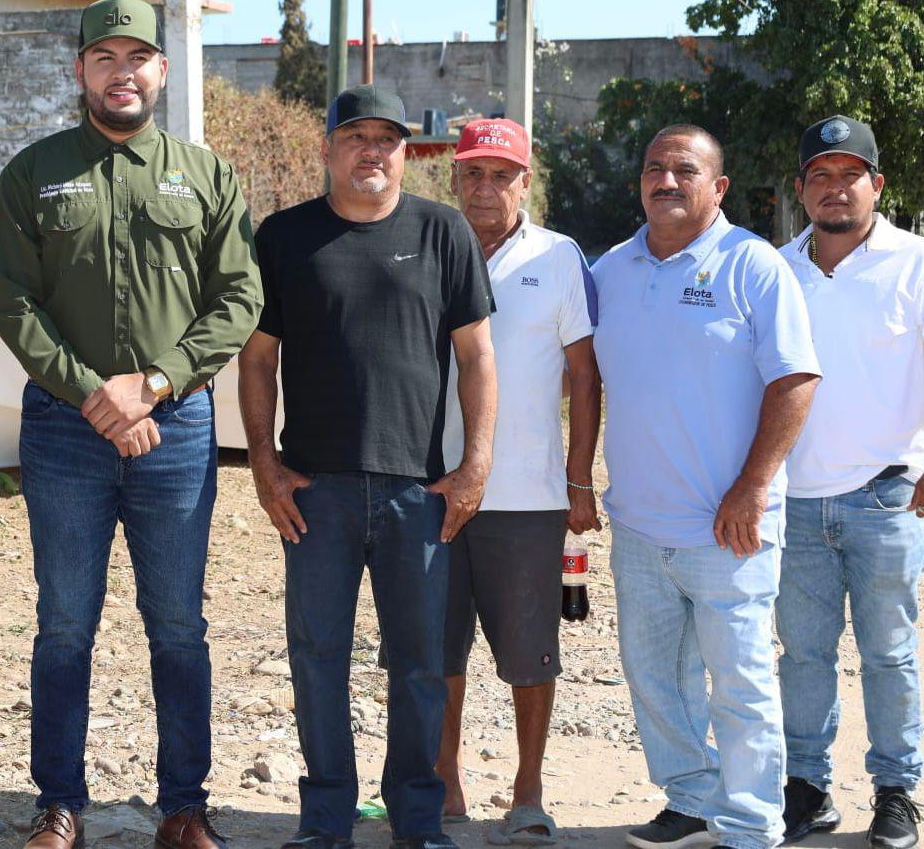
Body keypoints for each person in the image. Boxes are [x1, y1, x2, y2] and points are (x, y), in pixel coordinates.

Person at [0, 0, 262, 849]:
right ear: (82, 71)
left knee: (178, 622)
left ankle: (184, 805)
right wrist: (94, 395)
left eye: (138, 56)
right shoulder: (33, 174)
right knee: (65, 620)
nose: (122, 71)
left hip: (173, 430)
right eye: (105, 56)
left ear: (162, 71)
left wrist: (155, 383)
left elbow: (239, 296)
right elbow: (13, 304)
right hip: (66, 431)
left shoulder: (206, 175)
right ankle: (59, 805)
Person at [240, 84, 497, 849]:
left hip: (417, 491)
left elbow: (478, 356)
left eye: (388, 139)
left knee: (418, 665)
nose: (372, 151)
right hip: (313, 490)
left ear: (406, 153)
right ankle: (325, 822)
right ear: (328, 149)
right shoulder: (284, 237)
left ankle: (418, 821)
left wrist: (475, 462)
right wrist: (264, 463)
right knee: (318, 660)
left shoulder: (444, 231)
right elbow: (257, 361)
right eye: (356, 137)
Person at [590, 125, 820, 849]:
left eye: (684, 170)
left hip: (731, 528)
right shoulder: (610, 270)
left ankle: (752, 826)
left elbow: (796, 380)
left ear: (717, 187)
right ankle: (691, 800)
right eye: (653, 167)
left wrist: (752, 488)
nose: (665, 181)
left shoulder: (751, 264)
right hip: (637, 523)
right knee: (656, 679)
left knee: (742, 684)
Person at [775, 116, 924, 849]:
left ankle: (896, 791)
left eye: (849, 174)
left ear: (876, 184)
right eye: (820, 174)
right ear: (801, 189)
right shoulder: (777, 267)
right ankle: (809, 788)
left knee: (889, 653)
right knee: (804, 656)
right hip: (794, 500)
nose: (834, 187)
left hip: (888, 496)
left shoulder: (921, 261)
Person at [434, 119, 600, 845]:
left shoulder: (559, 257)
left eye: (502, 175)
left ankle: (528, 789)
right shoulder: (428, 246)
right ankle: (445, 781)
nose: (486, 188)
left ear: (526, 182)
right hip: (431, 488)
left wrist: (579, 479)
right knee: (436, 647)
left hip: (528, 496)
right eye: (473, 173)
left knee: (531, 650)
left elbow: (586, 376)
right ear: (454, 180)